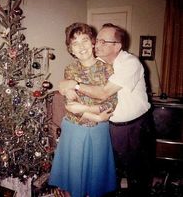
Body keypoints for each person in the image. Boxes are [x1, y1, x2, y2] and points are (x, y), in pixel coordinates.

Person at [59, 23, 155, 197]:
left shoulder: (129, 63)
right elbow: (68, 94)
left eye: (103, 41)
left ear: (117, 46)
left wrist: (76, 86)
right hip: (109, 128)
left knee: (137, 177)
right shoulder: (98, 62)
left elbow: (104, 93)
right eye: (98, 40)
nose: (97, 44)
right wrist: (65, 86)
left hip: (135, 128)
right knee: (109, 177)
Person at [49, 23, 117, 197]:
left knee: (96, 179)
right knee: (74, 179)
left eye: (85, 40)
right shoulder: (70, 69)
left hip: (99, 132)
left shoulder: (108, 68)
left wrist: (91, 113)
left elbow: (112, 103)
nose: (81, 47)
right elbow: (70, 105)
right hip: (74, 130)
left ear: (93, 42)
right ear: (71, 49)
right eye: (75, 43)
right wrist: (96, 116)